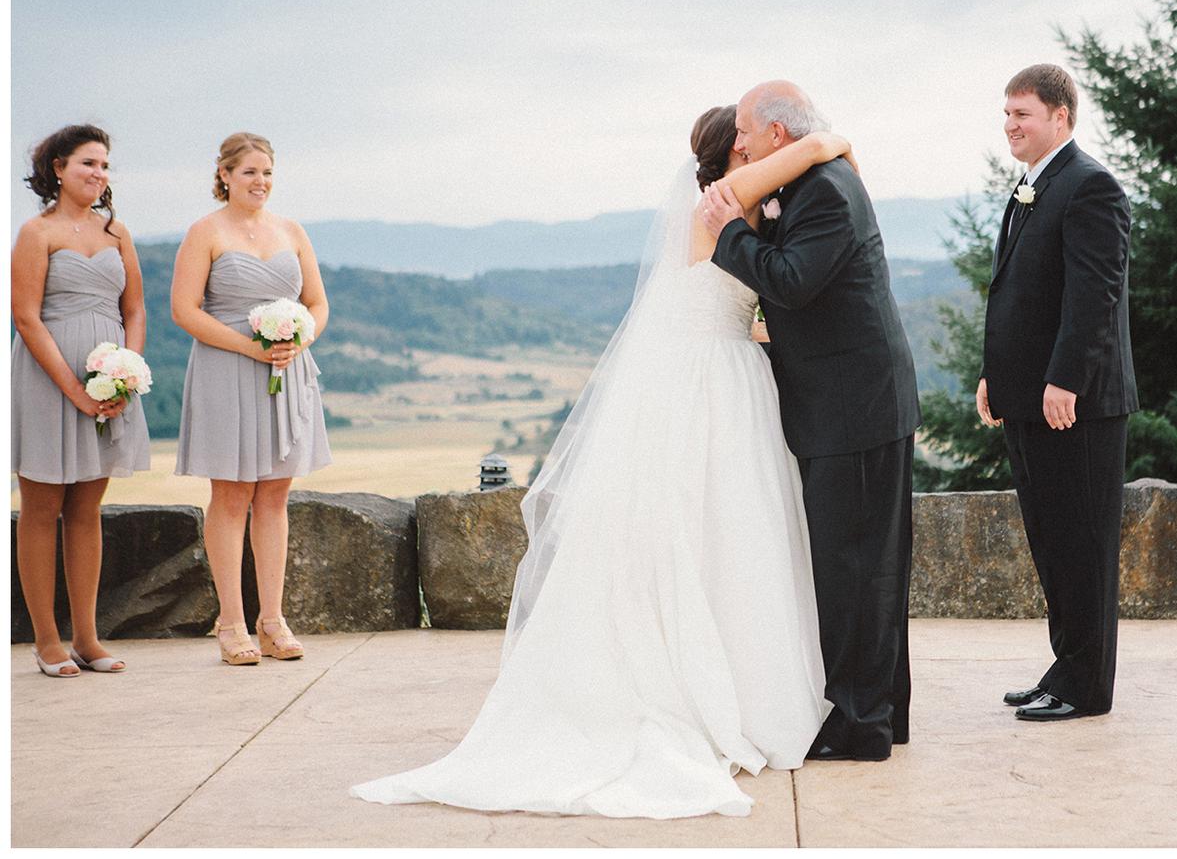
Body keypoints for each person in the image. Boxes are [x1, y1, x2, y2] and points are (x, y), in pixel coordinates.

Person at [352, 108, 854, 819]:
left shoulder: (726, 204)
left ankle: (731, 677)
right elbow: (806, 157)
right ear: (733, 153)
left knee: (727, 529)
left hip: (717, 367)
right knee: (712, 524)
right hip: (709, 380)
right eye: (744, 136)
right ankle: (711, 691)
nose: (755, 145)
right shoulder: (722, 199)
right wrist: (830, 141)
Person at [702, 81, 920, 761]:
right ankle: (882, 712)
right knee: (870, 566)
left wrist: (730, 233)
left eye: (745, 129)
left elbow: (792, 280)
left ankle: (861, 725)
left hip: (853, 406)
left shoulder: (824, 189)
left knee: (856, 569)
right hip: (856, 401)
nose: (740, 143)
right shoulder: (814, 180)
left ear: (777, 133)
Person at [976, 64, 1137, 721]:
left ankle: (1085, 686)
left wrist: (1066, 378)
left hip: (1077, 405)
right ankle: (1064, 668)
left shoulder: (1090, 185)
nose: (1010, 125)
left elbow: (1094, 294)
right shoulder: (1034, 185)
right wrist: (995, 376)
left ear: (1061, 116)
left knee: (1082, 544)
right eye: (1007, 114)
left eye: (1023, 114)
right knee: (1051, 540)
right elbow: (1017, 295)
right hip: (1027, 399)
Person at [171, 132, 332, 666]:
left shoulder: (292, 231)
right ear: (224, 175)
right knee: (232, 493)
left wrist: (298, 341)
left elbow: (317, 303)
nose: (260, 182)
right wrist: (249, 348)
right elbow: (184, 310)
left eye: (267, 173)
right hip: (226, 368)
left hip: (286, 369)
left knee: (275, 495)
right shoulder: (205, 232)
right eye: (249, 172)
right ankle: (232, 623)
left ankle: (273, 620)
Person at [11, 124, 151, 677]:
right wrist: (74, 389)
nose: (99, 173)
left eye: (105, 165)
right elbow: (26, 317)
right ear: (58, 168)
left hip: (108, 384)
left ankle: (88, 638)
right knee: (41, 509)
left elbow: (134, 309)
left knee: (86, 510)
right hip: (49, 381)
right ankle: (46, 640)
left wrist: (126, 375)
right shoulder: (36, 232)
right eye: (88, 163)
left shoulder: (117, 232)